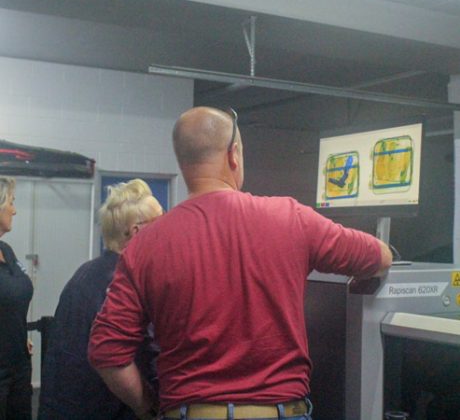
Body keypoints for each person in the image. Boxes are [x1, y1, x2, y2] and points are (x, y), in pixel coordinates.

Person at [89, 107, 392, 420]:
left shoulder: (145, 245)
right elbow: (379, 257)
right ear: (233, 155)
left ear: (182, 163)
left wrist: (148, 406)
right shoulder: (289, 218)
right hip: (280, 412)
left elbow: (107, 351)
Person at [38, 179, 163, 419]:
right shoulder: (123, 285)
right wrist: (149, 407)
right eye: (160, 223)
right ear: (137, 232)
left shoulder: (86, 274)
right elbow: (137, 357)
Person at [0, 176, 34, 420]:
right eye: (11, 202)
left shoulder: (7, 251)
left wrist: (18, 335)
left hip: (19, 365)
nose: (14, 210)